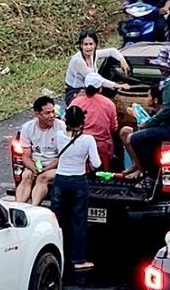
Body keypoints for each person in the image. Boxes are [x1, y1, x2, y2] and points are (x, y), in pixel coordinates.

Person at [122, 48, 170, 175]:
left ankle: (149, 173)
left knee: (135, 139)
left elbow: (167, 110)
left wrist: (148, 123)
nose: (160, 69)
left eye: (162, 66)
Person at [51, 105, 101, 272]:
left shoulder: (58, 136)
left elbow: (55, 151)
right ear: (82, 122)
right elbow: (97, 163)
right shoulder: (88, 140)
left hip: (60, 181)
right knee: (78, 221)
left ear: (66, 120)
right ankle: (78, 259)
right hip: (78, 181)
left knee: (58, 221)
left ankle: (58, 255)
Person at [14, 95, 68, 205]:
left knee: (42, 178)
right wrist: (34, 169)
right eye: (47, 113)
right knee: (26, 176)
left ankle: (34, 207)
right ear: (37, 114)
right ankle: (18, 206)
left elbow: (62, 156)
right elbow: (26, 156)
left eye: (53, 112)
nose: (52, 116)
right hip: (36, 164)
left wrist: (44, 170)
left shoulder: (61, 127)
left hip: (54, 166)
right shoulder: (28, 128)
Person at [64, 29, 130, 103]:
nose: (88, 47)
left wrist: (122, 60)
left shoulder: (94, 54)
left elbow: (112, 51)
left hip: (89, 89)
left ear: (95, 44)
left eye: (91, 44)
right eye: (85, 44)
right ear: (81, 46)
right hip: (75, 91)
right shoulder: (78, 61)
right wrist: (118, 85)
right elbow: (98, 79)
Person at [71, 72, 119, 165]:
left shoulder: (76, 102)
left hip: (79, 143)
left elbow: (67, 123)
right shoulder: (109, 104)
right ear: (100, 88)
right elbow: (114, 127)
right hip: (103, 146)